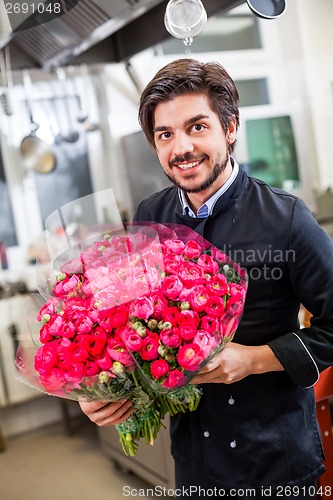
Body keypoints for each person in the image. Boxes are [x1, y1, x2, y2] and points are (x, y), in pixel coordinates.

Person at [79, 58, 333, 498]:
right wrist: (101, 388)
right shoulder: (149, 217)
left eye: (197, 126)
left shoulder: (287, 218)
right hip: (197, 458)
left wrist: (254, 360)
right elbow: (128, 329)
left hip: (276, 458)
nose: (181, 147)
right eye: (165, 134)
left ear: (229, 128)